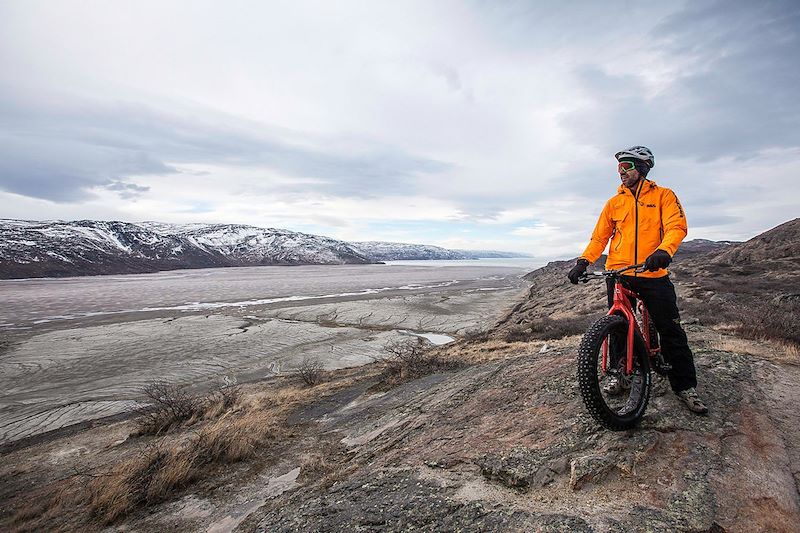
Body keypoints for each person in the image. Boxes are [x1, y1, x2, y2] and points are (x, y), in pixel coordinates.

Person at [567, 146, 707, 414]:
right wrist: (583, 261)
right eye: (619, 167)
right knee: (619, 325)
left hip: (652, 273)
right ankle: (621, 374)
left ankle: (685, 386)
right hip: (619, 273)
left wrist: (664, 251)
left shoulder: (664, 196)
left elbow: (677, 226)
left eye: (627, 166)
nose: (621, 172)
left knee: (670, 329)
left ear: (642, 168)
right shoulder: (614, 203)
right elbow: (600, 238)